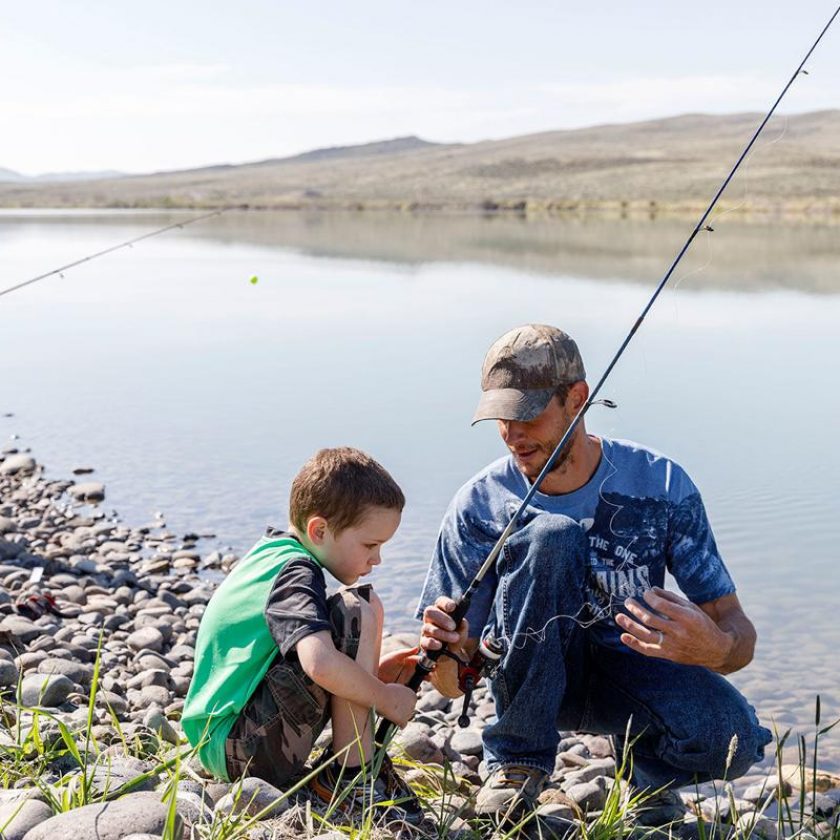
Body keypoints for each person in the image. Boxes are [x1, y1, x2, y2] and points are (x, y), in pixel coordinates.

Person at [416, 324, 772, 823]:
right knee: (552, 533)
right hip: (528, 679)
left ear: (577, 399)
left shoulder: (661, 483)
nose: (513, 435)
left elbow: (739, 634)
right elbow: (452, 684)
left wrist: (714, 648)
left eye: (527, 415)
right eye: (500, 418)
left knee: (734, 740)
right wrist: (445, 654)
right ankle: (517, 763)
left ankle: (647, 782)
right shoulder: (478, 503)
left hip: (632, 674)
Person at [183, 447, 422, 820]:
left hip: (225, 740)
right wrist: (383, 698)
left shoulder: (272, 553)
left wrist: (368, 675)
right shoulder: (296, 573)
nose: (377, 560)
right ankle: (351, 779)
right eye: (370, 545)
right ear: (319, 530)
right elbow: (320, 664)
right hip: (241, 749)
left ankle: (352, 767)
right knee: (356, 609)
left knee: (365, 607)